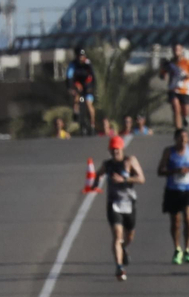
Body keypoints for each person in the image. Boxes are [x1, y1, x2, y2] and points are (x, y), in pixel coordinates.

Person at [99, 135, 145, 281]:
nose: (115, 152)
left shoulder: (130, 161)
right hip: (114, 204)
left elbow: (141, 179)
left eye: (117, 149)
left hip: (129, 203)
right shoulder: (107, 164)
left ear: (122, 148)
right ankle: (119, 267)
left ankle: (124, 248)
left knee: (129, 236)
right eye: (112, 150)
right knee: (117, 236)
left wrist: (125, 179)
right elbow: (97, 174)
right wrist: (93, 184)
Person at [157, 128, 189, 265]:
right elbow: (160, 171)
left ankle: (187, 249)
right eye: (180, 137)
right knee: (175, 221)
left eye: (185, 137)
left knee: (188, 218)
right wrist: (175, 171)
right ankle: (177, 249)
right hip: (173, 190)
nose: (183, 140)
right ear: (175, 139)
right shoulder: (169, 151)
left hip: (188, 189)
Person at [161, 44, 189, 128]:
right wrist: (163, 76)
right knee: (176, 108)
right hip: (173, 88)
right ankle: (178, 129)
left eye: (178, 49)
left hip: (185, 88)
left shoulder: (187, 61)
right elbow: (162, 73)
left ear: (181, 50)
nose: (176, 51)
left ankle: (185, 117)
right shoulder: (169, 63)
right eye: (175, 49)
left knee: (185, 109)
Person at [65, 47, 96, 135]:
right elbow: (69, 77)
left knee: (88, 103)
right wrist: (70, 88)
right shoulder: (73, 64)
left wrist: (92, 88)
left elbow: (93, 77)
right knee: (77, 99)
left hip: (88, 88)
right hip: (78, 88)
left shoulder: (88, 64)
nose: (81, 58)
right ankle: (77, 115)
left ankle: (92, 125)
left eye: (82, 56)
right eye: (79, 56)